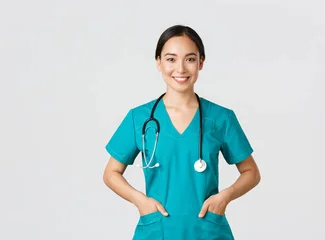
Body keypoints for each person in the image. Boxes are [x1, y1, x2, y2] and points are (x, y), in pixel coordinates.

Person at [102, 24, 261, 240]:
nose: (181, 68)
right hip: (158, 230)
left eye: (190, 59)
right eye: (171, 59)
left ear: (201, 62)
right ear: (158, 62)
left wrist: (224, 197)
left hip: (208, 230)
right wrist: (140, 200)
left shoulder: (221, 118)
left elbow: (251, 172)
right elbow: (111, 173)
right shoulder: (139, 118)